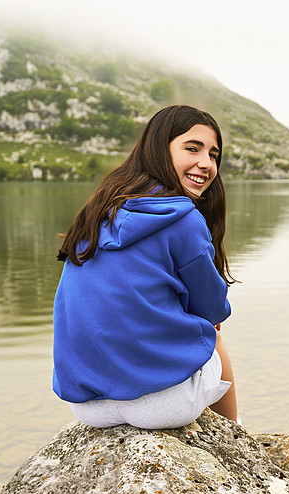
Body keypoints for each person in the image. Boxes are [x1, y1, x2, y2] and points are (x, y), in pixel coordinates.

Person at [52, 105, 238, 429]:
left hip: (87, 406)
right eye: (192, 148)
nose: (206, 164)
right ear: (160, 150)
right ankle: (236, 435)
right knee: (213, 336)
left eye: (213, 155)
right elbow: (213, 310)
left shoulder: (100, 208)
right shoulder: (184, 219)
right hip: (161, 405)